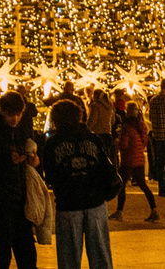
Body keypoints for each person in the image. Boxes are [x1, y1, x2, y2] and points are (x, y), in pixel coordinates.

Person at [40, 98, 120, 269]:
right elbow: (105, 167)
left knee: (69, 258)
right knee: (101, 255)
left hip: (69, 204)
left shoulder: (53, 143)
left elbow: (50, 175)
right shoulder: (92, 139)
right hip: (95, 202)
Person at [0, 92, 38, 269]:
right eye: (11, 114)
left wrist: (33, 159)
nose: (15, 118)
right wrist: (7, 158)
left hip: (21, 197)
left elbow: (33, 159)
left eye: (18, 114)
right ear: (3, 111)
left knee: (26, 248)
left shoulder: (21, 131)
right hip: (0, 198)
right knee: (2, 247)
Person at [110, 105, 154, 221]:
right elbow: (143, 142)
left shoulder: (127, 128)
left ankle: (119, 212)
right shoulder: (142, 126)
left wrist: (118, 141)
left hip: (128, 160)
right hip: (139, 159)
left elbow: (124, 145)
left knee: (121, 185)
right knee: (143, 185)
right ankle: (154, 210)